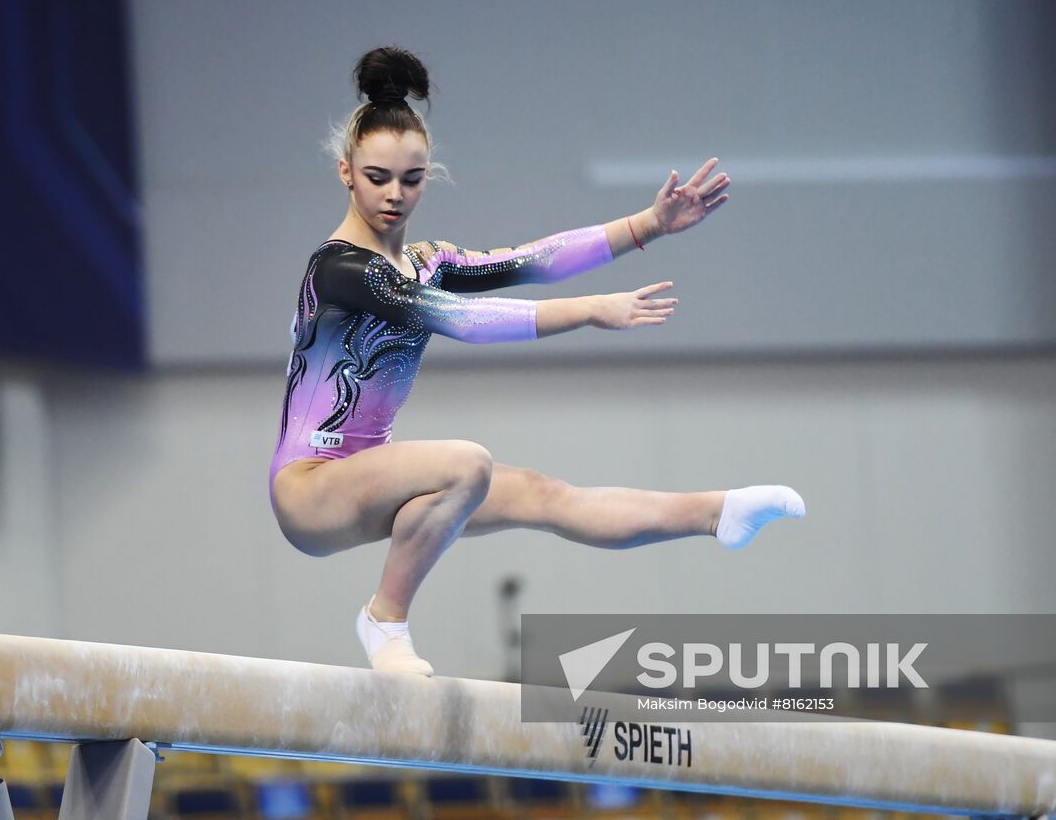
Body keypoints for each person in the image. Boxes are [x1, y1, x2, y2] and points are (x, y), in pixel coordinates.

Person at [269, 46, 805, 676]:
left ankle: (716, 513)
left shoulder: (426, 262)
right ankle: (384, 619)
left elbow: (530, 259)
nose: (394, 195)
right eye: (377, 177)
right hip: (311, 489)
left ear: (428, 175)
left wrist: (650, 225)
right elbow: (461, 320)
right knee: (466, 464)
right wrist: (589, 310)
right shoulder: (340, 268)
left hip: (374, 477)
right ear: (346, 173)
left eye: (411, 180)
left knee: (545, 496)